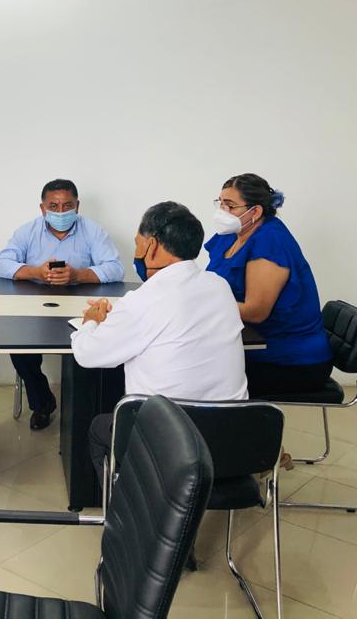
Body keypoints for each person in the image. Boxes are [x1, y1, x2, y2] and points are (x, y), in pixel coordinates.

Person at [72, 201, 248, 490]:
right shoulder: (219, 287)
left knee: (98, 429)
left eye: (137, 243)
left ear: (151, 245)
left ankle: (129, 510)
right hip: (232, 440)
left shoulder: (142, 301)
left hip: (167, 443)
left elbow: (87, 355)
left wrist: (91, 322)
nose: (136, 251)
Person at [0, 178, 124, 430]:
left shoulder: (93, 231)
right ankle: (43, 403)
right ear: (43, 208)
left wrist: (78, 275)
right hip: (35, 308)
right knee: (19, 349)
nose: (61, 212)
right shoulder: (27, 231)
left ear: (78, 206)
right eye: (54, 206)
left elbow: (115, 268)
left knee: (93, 346)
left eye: (67, 206)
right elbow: (1, 264)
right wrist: (35, 271)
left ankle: (86, 411)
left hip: (82, 307)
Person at [204, 173, 333, 399]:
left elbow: (255, 311)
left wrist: (202, 306)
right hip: (253, 343)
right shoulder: (232, 235)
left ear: (255, 211)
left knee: (201, 376)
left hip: (291, 360)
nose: (222, 211)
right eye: (220, 203)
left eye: (230, 206)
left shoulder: (270, 241)